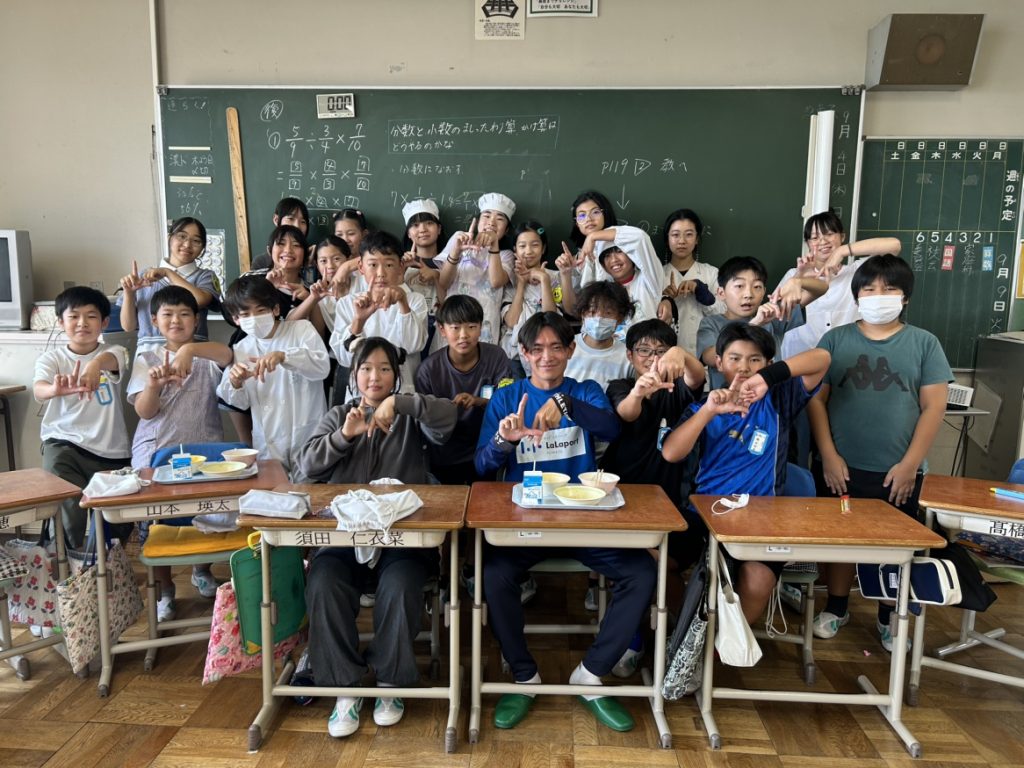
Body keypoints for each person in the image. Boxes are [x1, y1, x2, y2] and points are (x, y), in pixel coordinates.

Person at [474, 312, 655, 733]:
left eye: (557, 347)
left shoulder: (584, 390)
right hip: (526, 523)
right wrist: (504, 440)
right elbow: (481, 466)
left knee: (642, 572)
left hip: (583, 520)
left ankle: (590, 675)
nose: (547, 357)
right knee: (494, 575)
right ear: (523, 353)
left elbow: (611, 427)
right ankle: (524, 676)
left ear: (571, 350)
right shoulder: (507, 397)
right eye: (537, 349)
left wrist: (564, 405)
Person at [297, 337, 457, 738]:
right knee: (323, 582)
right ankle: (344, 686)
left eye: (384, 369)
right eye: (366, 369)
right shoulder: (339, 414)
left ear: (396, 376)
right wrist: (344, 437)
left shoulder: (409, 416)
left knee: (401, 585)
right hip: (344, 538)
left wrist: (400, 404)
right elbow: (306, 466)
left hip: (403, 539)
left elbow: (448, 417)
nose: (375, 377)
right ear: (354, 375)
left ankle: (390, 681)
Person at [808, 254, 952, 651]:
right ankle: (837, 606)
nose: (878, 295)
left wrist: (909, 465)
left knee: (894, 545)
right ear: (856, 296)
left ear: (905, 297)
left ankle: (889, 616)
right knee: (840, 538)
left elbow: (934, 407)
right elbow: (816, 400)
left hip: (897, 470)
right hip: (841, 466)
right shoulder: (835, 340)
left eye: (889, 288)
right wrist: (828, 455)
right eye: (869, 288)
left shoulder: (924, 343)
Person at [661, 323, 830, 626]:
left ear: (768, 363)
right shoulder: (704, 405)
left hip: (761, 520)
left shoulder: (779, 400)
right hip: (703, 516)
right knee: (654, 560)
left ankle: (721, 645)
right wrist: (709, 412)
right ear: (719, 362)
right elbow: (672, 453)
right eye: (735, 358)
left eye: (755, 360)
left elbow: (822, 359)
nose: (744, 367)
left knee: (758, 577)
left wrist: (768, 378)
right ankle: (686, 632)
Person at [127, 285, 234, 621]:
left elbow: (227, 355)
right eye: (168, 314)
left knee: (205, 512)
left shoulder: (205, 357)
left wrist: (189, 350)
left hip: (204, 450)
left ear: (196, 320)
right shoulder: (147, 359)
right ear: (154, 320)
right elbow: (144, 412)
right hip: (157, 450)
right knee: (156, 521)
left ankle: (202, 569)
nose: (176, 320)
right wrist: (153, 386)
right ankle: (164, 589)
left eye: (185, 314)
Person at [33, 286, 130, 548]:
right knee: (67, 513)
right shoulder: (51, 358)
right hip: (64, 444)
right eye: (74, 316)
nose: (82, 323)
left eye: (91, 316)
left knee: (116, 523)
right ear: (60, 322)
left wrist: (94, 365)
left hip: (111, 451)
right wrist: (54, 390)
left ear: (104, 322)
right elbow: (39, 389)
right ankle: (65, 565)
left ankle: (103, 566)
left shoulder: (116, 352)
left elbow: (111, 359)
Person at [216, 275, 330, 478]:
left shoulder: (301, 330)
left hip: (308, 434)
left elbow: (322, 368)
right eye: (245, 314)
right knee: (274, 492)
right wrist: (235, 382)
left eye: (260, 311)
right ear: (236, 320)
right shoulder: (242, 348)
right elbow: (240, 403)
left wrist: (285, 356)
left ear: (275, 309)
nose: (254, 318)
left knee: (312, 491)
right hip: (269, 443)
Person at [776, 209, 903, 359]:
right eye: (815, 238)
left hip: (845, 359)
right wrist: (800, 277)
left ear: (842, 236)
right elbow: (778, 316)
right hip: (799, 358)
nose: (823, 241)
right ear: (808, 243)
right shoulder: (794, 275)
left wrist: (842, 251)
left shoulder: (857, 272)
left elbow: (894, 246)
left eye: (829, 234)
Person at [415, 295, 512, 486]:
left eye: (471, 327)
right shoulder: (428, 370)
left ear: (481, 327)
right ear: (442, 329)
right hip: (445, 456)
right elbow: (426, 420)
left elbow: (507, 404)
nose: (463, 335)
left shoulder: (497, 357)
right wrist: (446, 410)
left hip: (487, 449)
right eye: (455, 327)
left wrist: (478, 401)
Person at [697, 256, 826, 389]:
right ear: (721, 293)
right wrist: (754, 325)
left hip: (771, 398)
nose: (748, 294)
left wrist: (798, 281)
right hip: (726, 399)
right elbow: (710, 358)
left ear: (764, 292)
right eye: (739, 286)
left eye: (757, 287)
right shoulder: (711, 323)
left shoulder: (771, 316)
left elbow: (822, 289)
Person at [330, 231, 428, 401]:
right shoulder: (347, 304)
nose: (381, 273)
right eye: (373, 265)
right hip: (360, 397)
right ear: (361, 267)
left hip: (402, 394)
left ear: (401, 267)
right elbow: (344, 358)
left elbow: (412, 345)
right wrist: (359, 320)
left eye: (389, 265)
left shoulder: (415, 300)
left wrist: (403, 303)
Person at [117, 216, 219, 354]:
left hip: (193, 352)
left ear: (202, 248)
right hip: (150, 353)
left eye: (196, 241)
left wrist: (168, 273)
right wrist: (129, 293)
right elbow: (128, 326)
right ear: (170, 238)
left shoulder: (205, 276)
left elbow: (199, 300)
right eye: (182, 236)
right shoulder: (144, 277)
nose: (187, 244)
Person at [435, 192, 516, 348]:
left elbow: (496, 281)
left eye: (500, 219)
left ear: (506, 230)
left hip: (484, 326)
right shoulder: (459, 238)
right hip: (453, 321)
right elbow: (443, 283)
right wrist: (456, 252)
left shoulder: (506, 255)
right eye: (487, 216)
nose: (491, 222)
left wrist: (493, 245)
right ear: (477, 221)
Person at [501, 220, 575, 376]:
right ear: (514, 249)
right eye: (522, 246)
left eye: (535, 245)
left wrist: (544, 280)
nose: (528, 251)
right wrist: (521, 284)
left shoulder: (554, 277)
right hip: (514, 355)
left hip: (548, 353)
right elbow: (511, 321)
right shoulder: (508, 278)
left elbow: (552, 318)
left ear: (543, 248)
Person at [656, 208, 724, 356]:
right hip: (665, 356)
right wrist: (665, 300)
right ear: (667, 239)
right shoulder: (657, 275)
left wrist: (704, 295)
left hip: (706, 355)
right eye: (675, 235)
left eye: (689, 234)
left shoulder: (711, 273)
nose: (682, 241)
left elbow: (725, 315)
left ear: (697, 239)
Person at [578, 219, 665, 325]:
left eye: (619, 252)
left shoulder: (649, 279)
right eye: (607, 256)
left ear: (631, 254)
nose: (614, 260)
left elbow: (640, 238)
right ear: (602, 265)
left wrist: (592, 236)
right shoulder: (603, 291)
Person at [564, 280, 634, 389]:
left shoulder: (628, 358)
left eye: (608, 313)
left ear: (620, 319)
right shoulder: (566, 347)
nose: (599, 318)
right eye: (592, 311)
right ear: (583, 314)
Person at [401, 199, 444, 357]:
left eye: (429, 223)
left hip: (440, 327)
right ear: (408, 233)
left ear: (439, 229)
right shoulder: (400, 262)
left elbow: (448, 302)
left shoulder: (450, 262)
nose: (423, 229)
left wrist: (437, 277)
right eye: (415, 225)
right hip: (410, 325)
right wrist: (402, 268)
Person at [251, 197, 312, 271]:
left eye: (302, 222)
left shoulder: (314, 258)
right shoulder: (261, 262)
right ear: (276, 220)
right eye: (291, 219)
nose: (297, 226)